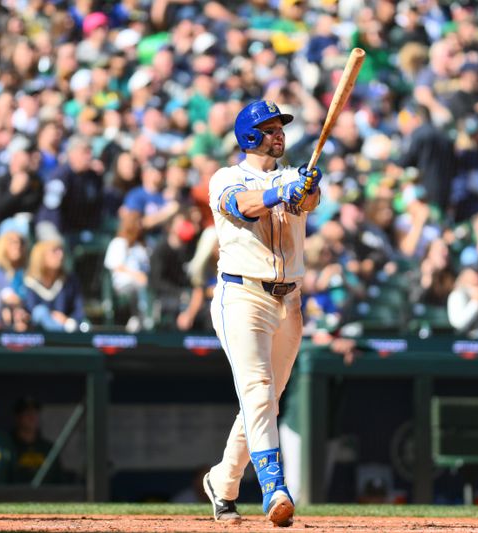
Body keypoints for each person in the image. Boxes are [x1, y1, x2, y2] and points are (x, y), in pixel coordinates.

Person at [203, 100, 321, 527]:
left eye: (280, 128)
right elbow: (240, 206)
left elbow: (308, 201)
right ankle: (275, 489)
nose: (279, 134)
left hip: (289, 300)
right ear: (249, 135)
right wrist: (279, 192)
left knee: (265, 401)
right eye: (270, 128)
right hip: (242, 295)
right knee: (257, 390)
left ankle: (223, 482)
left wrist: (306, 187)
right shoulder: (225, 177)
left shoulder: (292, 175)